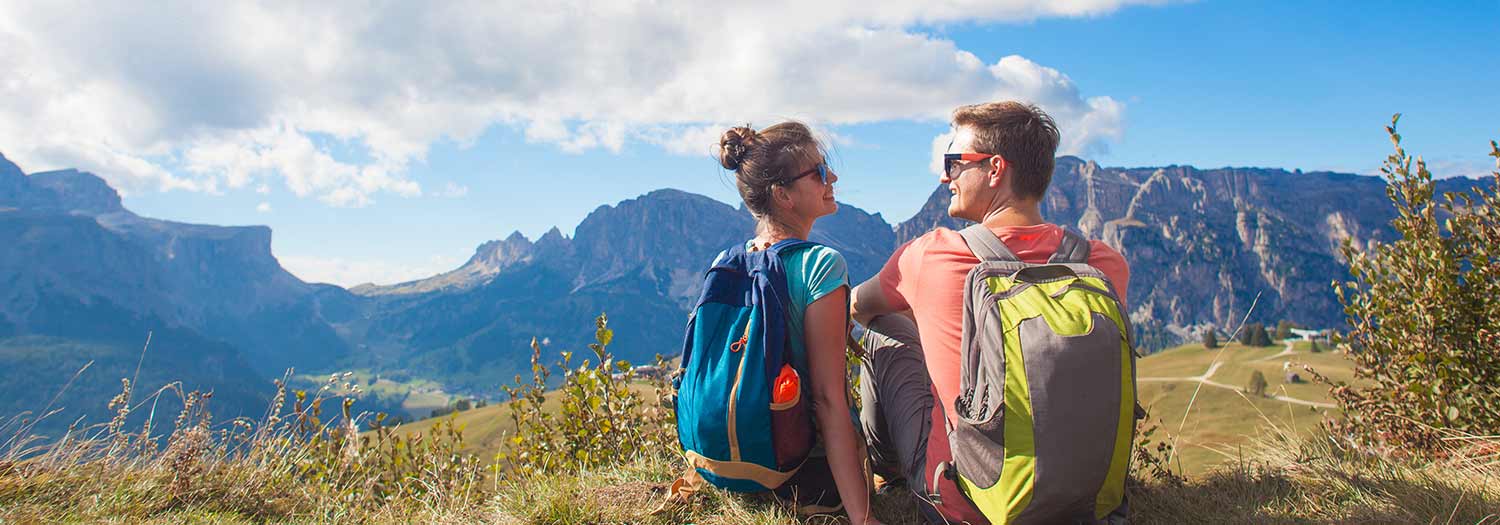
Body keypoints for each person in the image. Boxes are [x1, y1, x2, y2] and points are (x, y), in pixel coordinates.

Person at [850, 101, 1132, 523]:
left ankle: (888, 471)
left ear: (995, 169)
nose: (946, 176)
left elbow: (858, 306)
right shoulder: (1103, 265)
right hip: (1084, 500)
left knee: (883, 327)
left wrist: (923, 319)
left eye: (955, 162)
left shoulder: (933, 255)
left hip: (968, 507)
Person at [711, 122, 883, 525]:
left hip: (731, 463)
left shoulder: (725, 261)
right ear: (782, 194)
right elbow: (827, 399)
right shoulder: (821, 265)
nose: (833, 178)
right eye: (820, 172)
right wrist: (862, 516)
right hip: (804, 472)